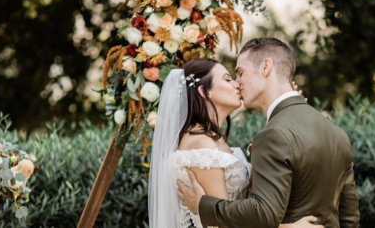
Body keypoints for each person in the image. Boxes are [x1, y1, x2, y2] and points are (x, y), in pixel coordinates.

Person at [177, 38, 359, 228]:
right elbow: (350, 219)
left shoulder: (274, 134)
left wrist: (202, 206)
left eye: (240, 73)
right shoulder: (338, 134)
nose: (237, 83)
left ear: (266, 67)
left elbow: (264, 213)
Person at [148, 59, 321, 228]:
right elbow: (221, 223)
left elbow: (268, 177)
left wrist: (286, 108)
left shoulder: (213, 140)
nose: (237, 84)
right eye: (227, 79)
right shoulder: (201, 144)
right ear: (204, 92)